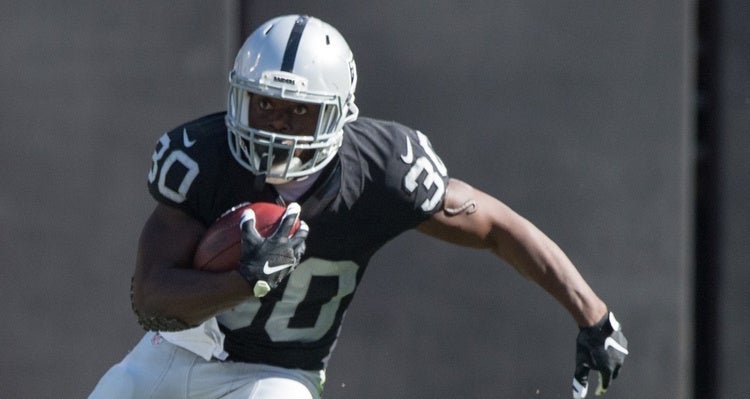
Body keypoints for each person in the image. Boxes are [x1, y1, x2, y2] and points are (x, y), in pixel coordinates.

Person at [89, 14, 628, 399]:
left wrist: (593, 315)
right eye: (264, 105)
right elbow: (151, 300)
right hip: (172, 349)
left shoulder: (383, 169)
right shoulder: (202, 159)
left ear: (338, 117)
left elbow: (493, 227)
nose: (273, 127)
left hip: (276, 376)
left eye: (296, 113)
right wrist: (244, 280)